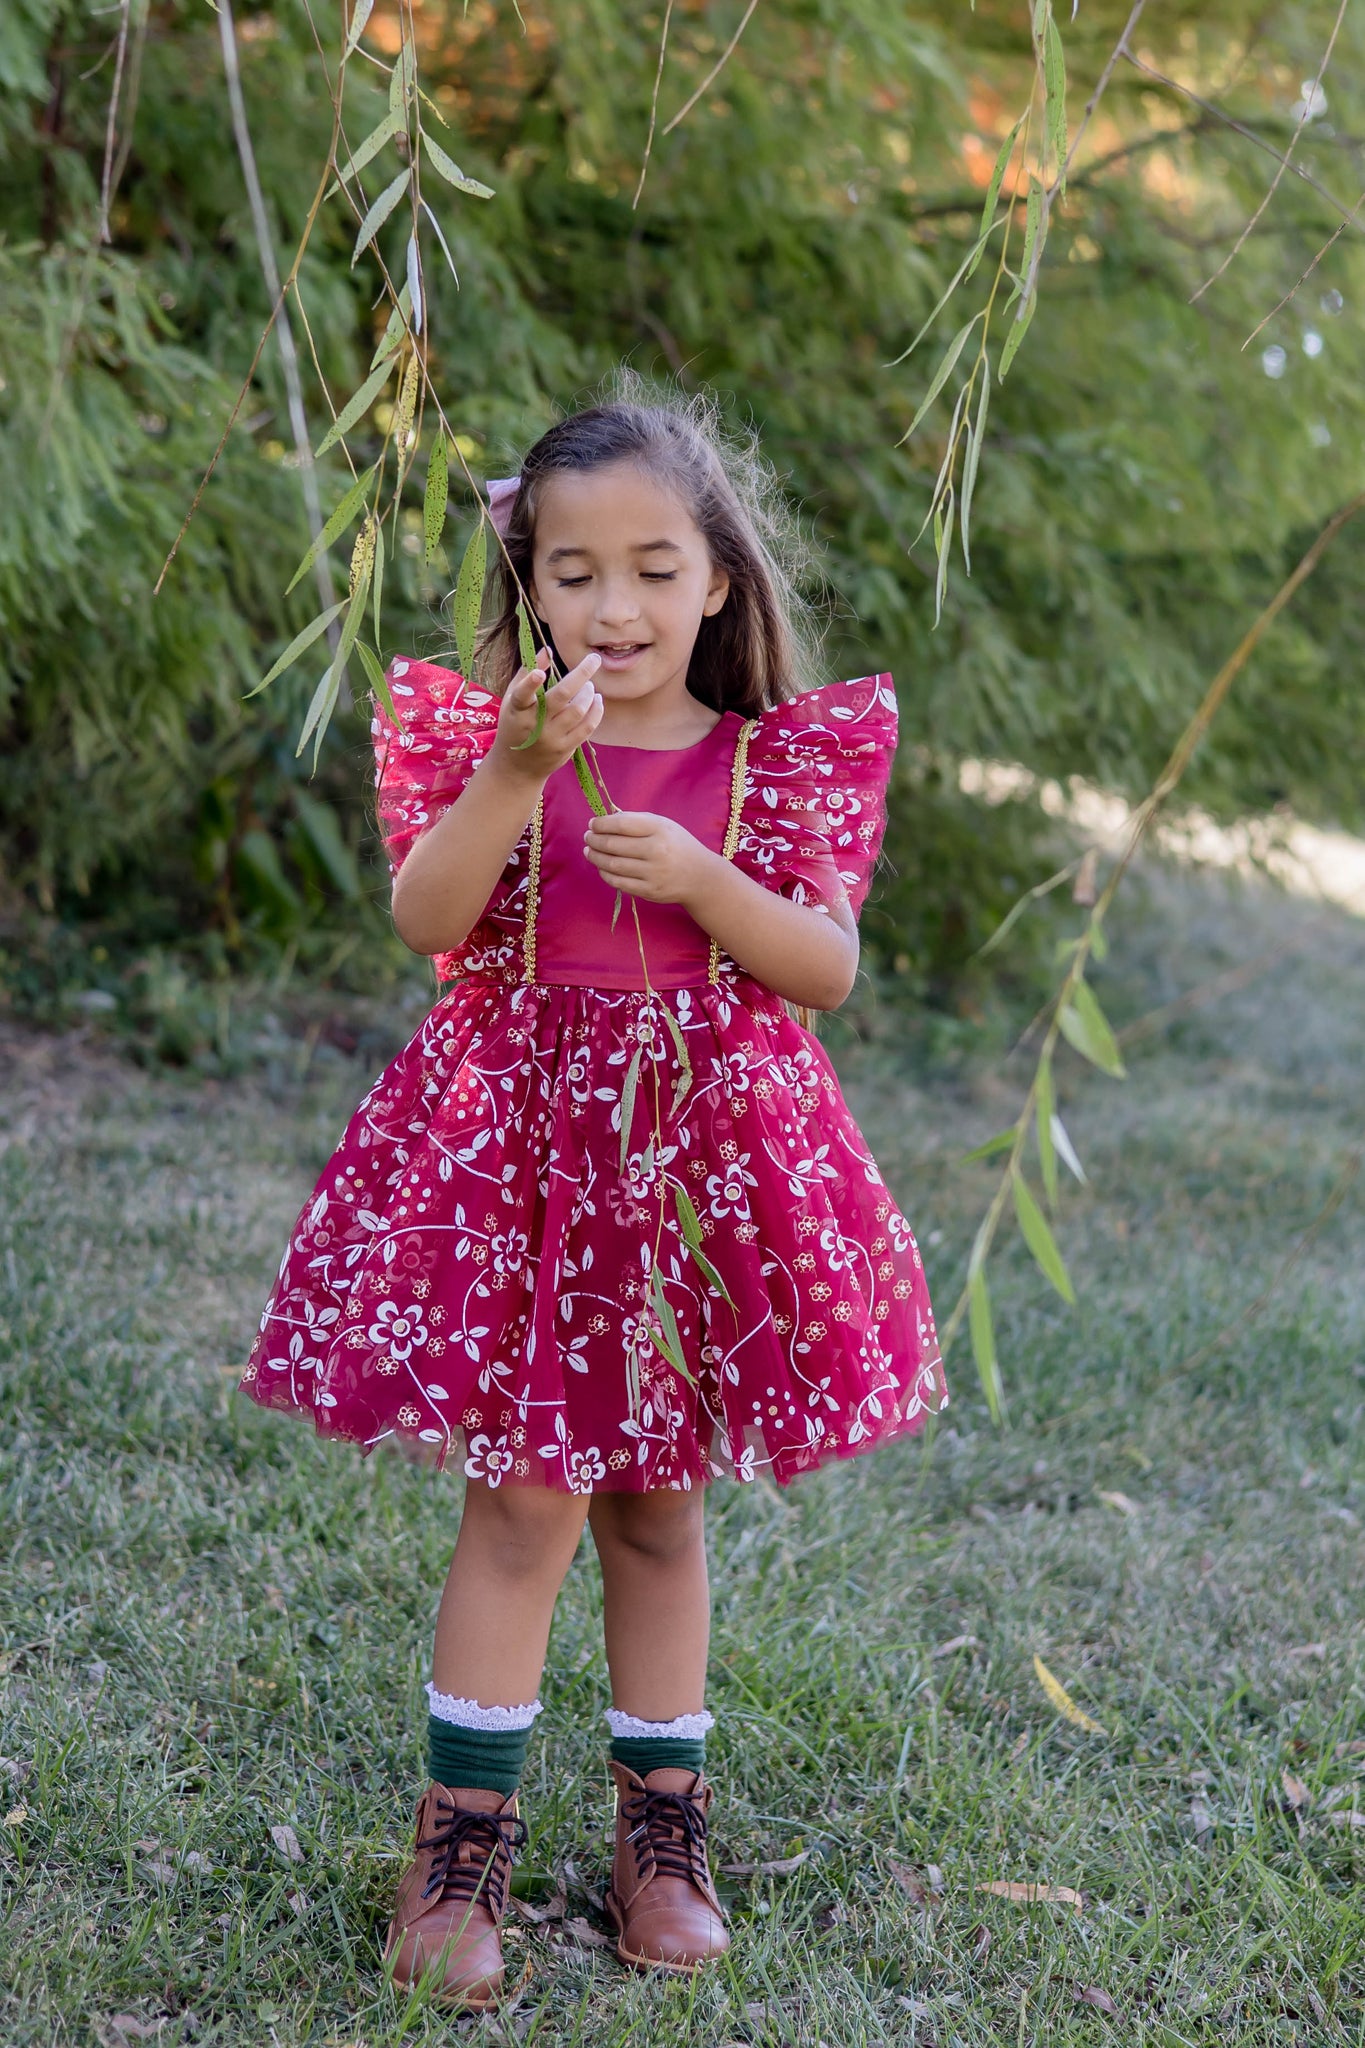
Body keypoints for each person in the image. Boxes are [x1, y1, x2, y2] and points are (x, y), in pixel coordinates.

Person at [240, 393, 947, 2010]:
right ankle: (456, 1847)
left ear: (715, 581)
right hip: (525, 1173)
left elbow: (820, 967)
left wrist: (708, 884)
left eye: (648, 568)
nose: (609, 608)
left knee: (655, 1505)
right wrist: (509, 775)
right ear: (528, 585)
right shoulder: (484, 736)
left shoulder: (776, 758)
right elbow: (428, 914)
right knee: (520, 1505)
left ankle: (662, 1832)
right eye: (570, 573)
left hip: (704, 1172)